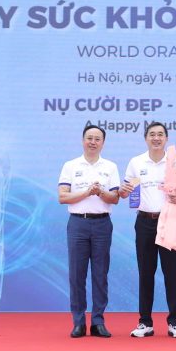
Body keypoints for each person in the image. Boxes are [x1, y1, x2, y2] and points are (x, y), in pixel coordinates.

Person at [119, 122, 176, 338]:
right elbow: (127, 193)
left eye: (160, 134)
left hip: (169, 221)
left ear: (166, 138)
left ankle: (175, 323)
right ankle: (145, 323)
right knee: (145, 273)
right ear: (146, 138)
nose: (156, 138)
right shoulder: (136, 162)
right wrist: (124, 192)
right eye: (152, 134)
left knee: (171, 273)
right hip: (144, 221)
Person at [57, 124, 120, 338]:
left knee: (100, 274)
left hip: (102, 224)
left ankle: (98, 321)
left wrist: (100, 192)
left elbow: (115, 198)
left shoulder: (110, 167)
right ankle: (78, 322)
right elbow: (62, 197)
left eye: (97, 139)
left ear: (103, 143)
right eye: (89, 138)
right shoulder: (70, 165)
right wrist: (86, 192)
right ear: (83, 140)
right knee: (77, 274)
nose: (93, 142)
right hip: (78, 224)